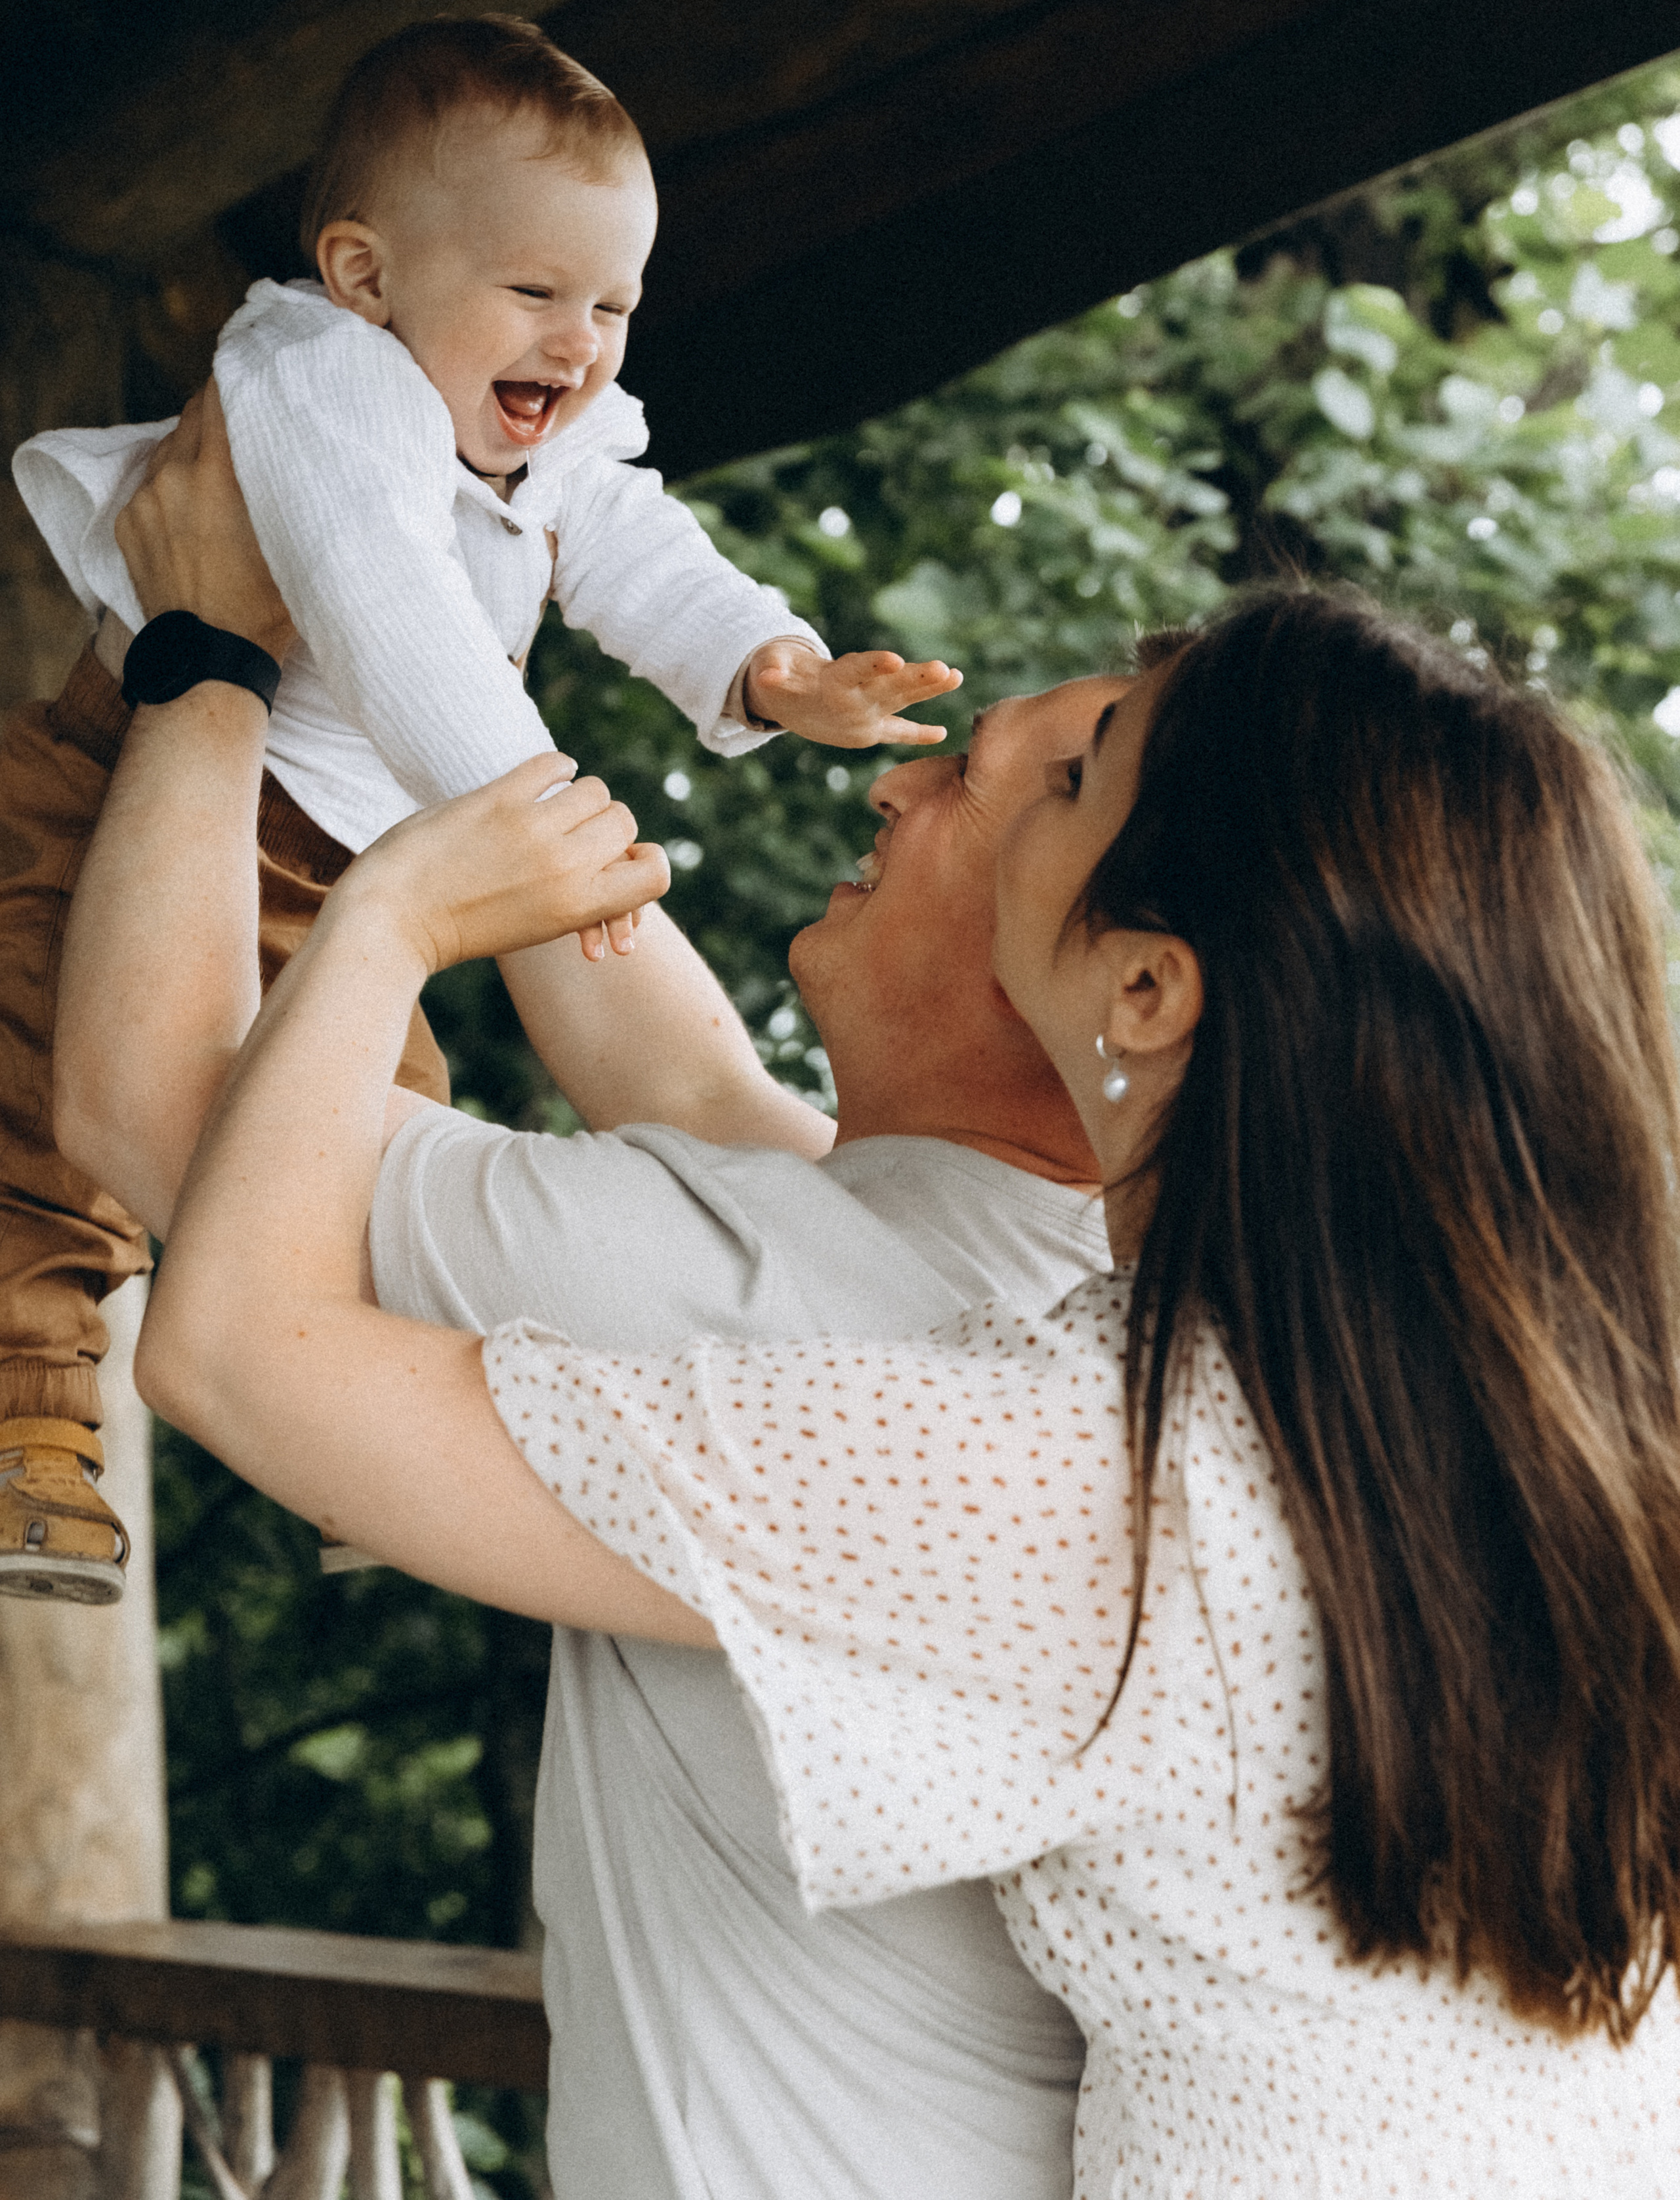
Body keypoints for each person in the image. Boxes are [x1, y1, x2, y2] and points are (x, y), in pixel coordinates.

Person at [100, 564, 1680, 2190]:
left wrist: (386, 920)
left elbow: (232, 1355)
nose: (934, 779)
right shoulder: (1513, 1448)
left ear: (1144, 986)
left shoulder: (1092, 1473)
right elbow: (703, 1093)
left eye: (1072, 775)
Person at [56, 411, 1108, 2199]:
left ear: (1110, 973)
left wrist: (208, 653)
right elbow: (681, 1061)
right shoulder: (1018, 1261)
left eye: (977, 787)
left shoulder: (767, 1297)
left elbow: (153, 1107)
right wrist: (390, 580)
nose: (892, 780)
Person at [0, 12, 957, 1599]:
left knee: (366, 1140)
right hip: (133, 795)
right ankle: (34, 1424)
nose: (578, 345)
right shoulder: (325, 375)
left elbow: (641, 553)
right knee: (31, 1092)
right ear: (366, 273)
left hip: (363, 857)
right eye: (533, 293)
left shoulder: (548, 428)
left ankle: (353, 1438)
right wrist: (535, 818)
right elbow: (383, 604)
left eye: (613, 306)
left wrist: (767, 668)